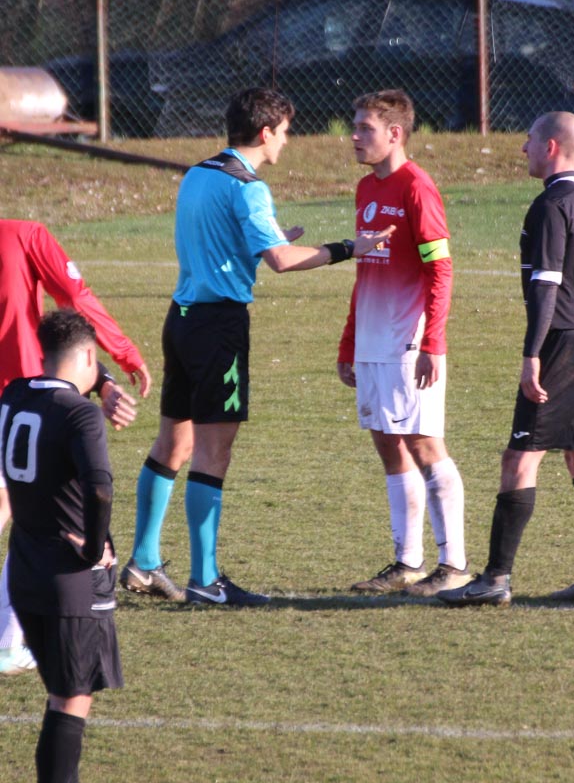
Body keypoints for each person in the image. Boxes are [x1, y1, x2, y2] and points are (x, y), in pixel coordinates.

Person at [119, 86, 395, 606]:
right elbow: (282, 262)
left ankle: (144, 561)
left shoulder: (199, 173)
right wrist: (350, 247)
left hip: (181, 321)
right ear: (266, 132)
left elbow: (218, 244)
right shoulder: (248, 187)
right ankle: (206, 580)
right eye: (284, 132)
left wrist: (270, 238)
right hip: (219, 329)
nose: (286, 142)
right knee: (213, 450)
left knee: (172, 443)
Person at [438, 111, 574, 607]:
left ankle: (495, 579)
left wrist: (532, 353)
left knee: (519, 458)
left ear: (552, 146)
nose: (523, 148)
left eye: (530, 140)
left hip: (564, 343)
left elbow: (546, 286)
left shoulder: (551, 205)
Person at [0, 217, 151, 675]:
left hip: (19, 399)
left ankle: (8, 640)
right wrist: (121, 355)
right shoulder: (22, 235)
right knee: (26, 509)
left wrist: (101, 380)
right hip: (20, 400)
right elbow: (74, 302)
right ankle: (7, 642)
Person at [337, 89, 468, 596]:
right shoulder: (365, 189)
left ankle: (454, 564)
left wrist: (433, 341)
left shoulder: (417, 187)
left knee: (424, 443)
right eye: (354, 126)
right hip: (372, 341)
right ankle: (408, 562)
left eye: (364, 128)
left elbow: (441, 268)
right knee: (388, 444)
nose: (353, 135)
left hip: (408, 342)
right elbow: (365, 271)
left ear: (395, 134)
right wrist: (349, 342)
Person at [0, 309, 123, 783]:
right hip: (69, 580)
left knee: (59, 694)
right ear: (90, 355)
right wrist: (95, 547)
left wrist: (101, 379)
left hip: (24, 571)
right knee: (72, 701)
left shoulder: (13, 395)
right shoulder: (80, 415)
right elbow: (100, 486)